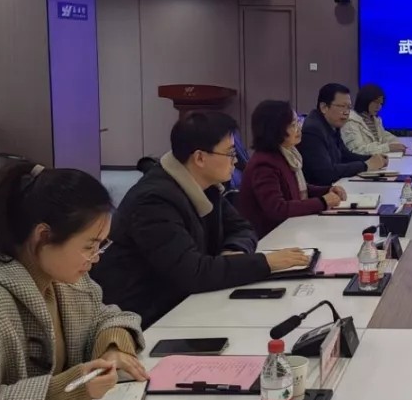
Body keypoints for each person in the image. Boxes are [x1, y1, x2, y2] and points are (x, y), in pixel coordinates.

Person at [0, 163, 147, 400]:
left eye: (101, 245)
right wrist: (63, 392)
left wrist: (113, 347)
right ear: (43, 236)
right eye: (89, 246)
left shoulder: (61, 276)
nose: (95, 258)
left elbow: (106, 316)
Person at [91, 111, 310, 328]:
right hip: (145, 319)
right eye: (230, 153)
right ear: (200, 158)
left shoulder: (205, 185)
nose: (235, 161)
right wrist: (267, 262)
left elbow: (242, 228)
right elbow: (192, 273)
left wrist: (234, 252)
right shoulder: (154, 201)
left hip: (185, 302)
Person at [237, 100, 349, 238]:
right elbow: (277, 209)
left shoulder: (285, 153)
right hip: (270, 237)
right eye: (292, 125)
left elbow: (296, 189)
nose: (299, 128)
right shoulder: (264, 164)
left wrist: (327, 190)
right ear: (274, 130)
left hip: (290, 229)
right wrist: (323, 202)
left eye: (298, 122)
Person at [299, 83, 387, 186]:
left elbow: (344, 155)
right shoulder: (313, 130)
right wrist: (365, 165)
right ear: (324, 107)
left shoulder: (332, 124)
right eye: (341, 106)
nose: (346, 112)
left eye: (349, 107)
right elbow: (325, 173)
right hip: (321, 191)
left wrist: (371, 158)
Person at [343, 84, 407, 157]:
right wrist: (388, 147)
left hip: (378, 160)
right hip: (364, 163)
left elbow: (384, 137)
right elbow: (357, 150)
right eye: (376, 102)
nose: (379, 107)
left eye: (381, 103)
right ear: (365, 100)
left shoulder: (375, 120)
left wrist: (398, 144)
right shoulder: (350, 122)